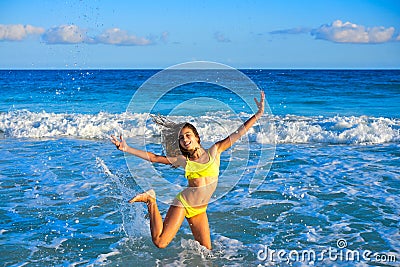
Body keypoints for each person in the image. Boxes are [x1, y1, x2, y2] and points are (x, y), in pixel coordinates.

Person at [111, 91, 265, 250]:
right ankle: (151, 200)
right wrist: (127, 148)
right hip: (184, 203)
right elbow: (155, 157)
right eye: (181, 138)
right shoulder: (184, 161)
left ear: (197, 137)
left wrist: (258, 114)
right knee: (160, 242)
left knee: (206, 252)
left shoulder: (215, 150)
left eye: (187, 135)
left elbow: (239, 133)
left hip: (200, 208)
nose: (185, 139)